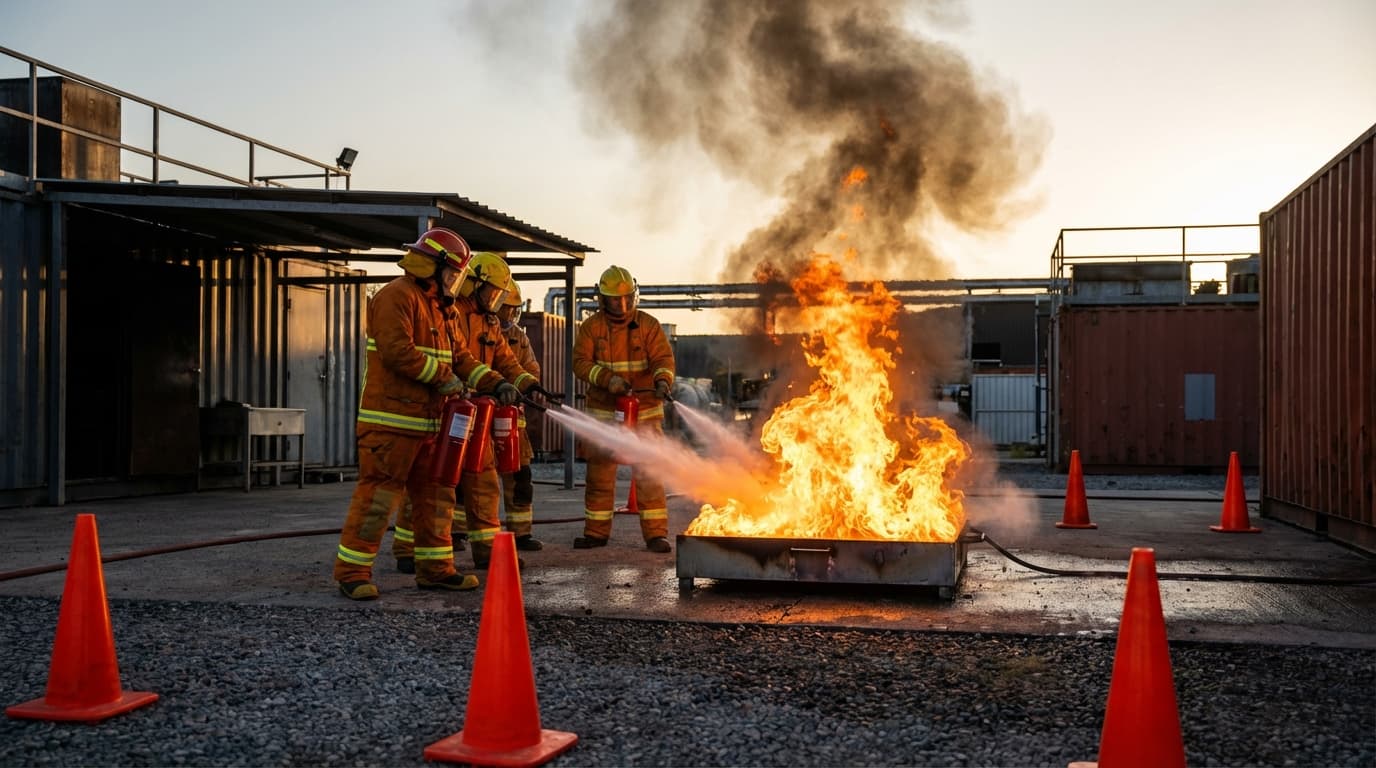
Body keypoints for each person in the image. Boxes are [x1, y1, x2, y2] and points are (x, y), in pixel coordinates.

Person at [334, 227, 490, 601]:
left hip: (430, 425)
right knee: (379, 500)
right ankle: (352, 573)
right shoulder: (396, 296)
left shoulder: (442, 308)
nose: (455, 282)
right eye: (452, 273)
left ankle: (436, 570)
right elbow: (397, 351)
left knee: (438, 499)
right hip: (391, 424)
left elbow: (462, 357)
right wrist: (444, 378)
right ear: (432, 266)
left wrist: (494, 381)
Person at [393, 252, 544, 571]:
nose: (497, 301)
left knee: (484, 483)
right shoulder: (450, 313)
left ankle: (487, 551)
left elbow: (507, 362)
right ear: (474, 284)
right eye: (493, 292)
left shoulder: (490, 322)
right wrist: (486, 383)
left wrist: (526, 384)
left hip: (479, 416)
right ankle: (408, 548)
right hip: (446, 413)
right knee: (435, 482)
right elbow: (454, 361)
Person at [571, 265, 677, 553]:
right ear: (601, 299)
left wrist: (662, 381)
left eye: (627, 299)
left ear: (635, 295)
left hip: (645, 412)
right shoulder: (591, 328)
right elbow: (580, 363)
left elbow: (663, 360)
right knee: (600, 476)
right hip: (605, 414)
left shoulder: (649, 325)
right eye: (615, 300)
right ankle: (595, 533)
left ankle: (656, 535)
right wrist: (608, 379)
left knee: (650, 474)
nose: (622, 305)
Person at [495, 281, 545, 552]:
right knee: (473, 483)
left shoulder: (519, 337)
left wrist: (531, 386)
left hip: (515, 423)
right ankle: (458, 532)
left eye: (514, 311)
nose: (510, 316)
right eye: (506, 309)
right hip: (482, 420)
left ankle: (521, 533)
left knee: (521, 479)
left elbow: (530, 368)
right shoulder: (479, 328)